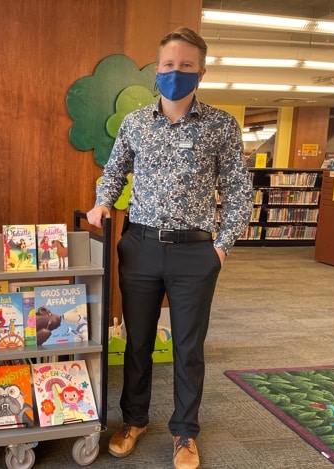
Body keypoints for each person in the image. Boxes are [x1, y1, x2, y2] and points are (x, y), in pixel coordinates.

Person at [87, 27, 252, 469]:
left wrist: (221, 246)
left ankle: (184, 432)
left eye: (185, 66)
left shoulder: (221, 126)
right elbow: (115, 170)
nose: (175, 72)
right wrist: (103, 203)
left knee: (188, 346)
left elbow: (239, 189)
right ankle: (134, 421)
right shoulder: (136, 123)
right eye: (167, 65)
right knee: (136, 341)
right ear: (156, 69)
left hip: (196, 251)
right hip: (139, 245)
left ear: (201, 71)